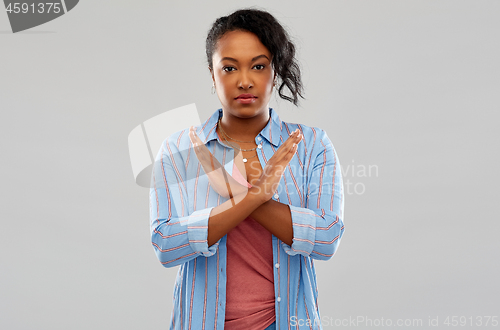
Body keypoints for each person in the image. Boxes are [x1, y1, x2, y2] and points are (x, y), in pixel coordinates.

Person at [149, 8, 345, 330]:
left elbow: (327, 239)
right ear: (213, 76)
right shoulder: (180, 149)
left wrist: (237, 191)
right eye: (229, 68)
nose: (244, 80)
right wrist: (255, 197)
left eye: (258, 66)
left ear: (275, 71)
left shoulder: (310, 145)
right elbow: (165, 246)